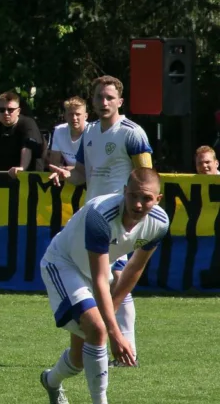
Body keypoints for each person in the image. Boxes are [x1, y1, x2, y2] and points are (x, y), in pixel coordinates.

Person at [38, 169, 169, 404]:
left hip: (96, 271)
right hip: (64, 265)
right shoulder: (101, 216)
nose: (138, 204)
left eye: (146, 198)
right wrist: (114, 332)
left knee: (78, 359)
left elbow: (134, 268)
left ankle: (50, 381)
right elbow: (99, 278)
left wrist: (112, 312)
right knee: (97, 330)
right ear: (124, 192)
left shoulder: (159, 223)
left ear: (158, 199)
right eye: (133, 196)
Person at [48, 76, 153, 366]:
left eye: (109, 97)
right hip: (94, 218)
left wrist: (138, 211)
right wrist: (67, 175)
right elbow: (82, 173)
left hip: (122, 218)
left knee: (118, 279)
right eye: (98, 97)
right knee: (111, 281)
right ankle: (112, 346)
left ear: (120, 101)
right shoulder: (90, 133)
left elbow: (146, 178)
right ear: (92, 101)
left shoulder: (132, 133)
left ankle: (126, 347)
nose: (103, 102)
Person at [47, 97, 88, 169]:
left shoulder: (93, 132)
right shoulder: (59, 131)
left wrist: (70, 169)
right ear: (65, 116)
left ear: (85, 116)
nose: (74, 118)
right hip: (67, 176)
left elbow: (95, 167)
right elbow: (54, 164)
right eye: (71, 114)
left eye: (78, 114)